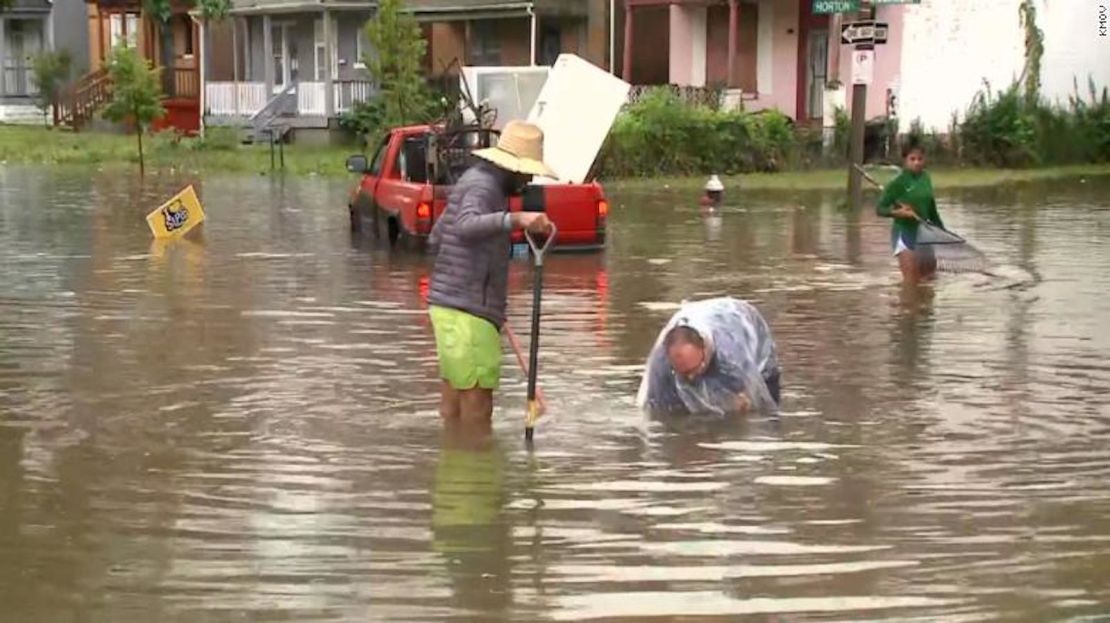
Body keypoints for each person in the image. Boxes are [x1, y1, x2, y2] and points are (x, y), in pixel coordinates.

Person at [427, 121, 556, 423]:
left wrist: (489, 297)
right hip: (465, 311)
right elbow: (464, 225)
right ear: (512, 167)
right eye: (526, 172)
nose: (529, 179)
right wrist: (517, 219)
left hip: (457, 307)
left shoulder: (475, 181)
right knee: (478, 405)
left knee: (456, 399)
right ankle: (477, 467)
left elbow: (437, 236)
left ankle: (454, 462)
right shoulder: (483, 187)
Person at [636, 297, 781, 417]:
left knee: (758, 408)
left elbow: (759, 402)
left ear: (704, 350)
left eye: (694, 369)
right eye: (684, 372)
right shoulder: (661, 364)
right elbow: (656, 409)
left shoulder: (732, 356)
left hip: (742, 319)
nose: (691, 377)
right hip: (699, 317)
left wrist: (742, 405)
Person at [876, 141, 945, 284]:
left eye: (920, 159)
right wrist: (899, 212)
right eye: (912, 159)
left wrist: (941, 231)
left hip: (924, 234)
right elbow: (880, 209)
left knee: (929, 279)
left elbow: (932, 209)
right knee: (911, 282)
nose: (917, 163)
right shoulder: (898, 182)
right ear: (905, 160)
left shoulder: (926, 178)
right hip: (904, 234)